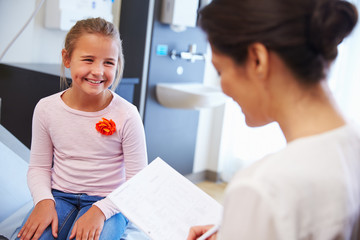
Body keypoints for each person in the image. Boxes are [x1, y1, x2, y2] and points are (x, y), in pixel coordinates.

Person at [188, 0, 360, 239]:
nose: (222, 87)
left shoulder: (262, 187)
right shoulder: (351, 145)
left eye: (220, 71)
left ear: (258, 59)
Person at [17, 17, 148, 240]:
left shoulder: (127, 114)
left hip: (109, 201)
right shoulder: (46, 109)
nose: (98, 71)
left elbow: (138, 182)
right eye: (88, 60)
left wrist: (101, 210)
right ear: (67, 59)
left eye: (108, 62)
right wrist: (44, 200)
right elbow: (38, 167)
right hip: (60, 197)